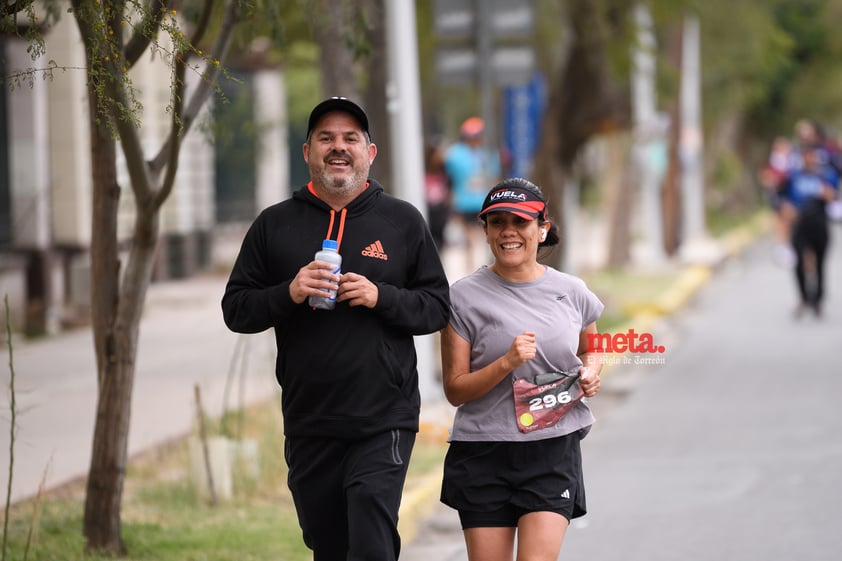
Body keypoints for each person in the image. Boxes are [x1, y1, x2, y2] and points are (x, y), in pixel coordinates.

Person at [221, 97, 450, 561]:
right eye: (326, 138)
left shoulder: (402, 221)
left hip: (383, 417)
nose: (338, 147)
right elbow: (236, 309)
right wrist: (289, 291)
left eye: (350, 139)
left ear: (371, 152)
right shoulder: (274, 225)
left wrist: (379, 295)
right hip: (310, 419)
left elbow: (436, 308)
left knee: (370, 532)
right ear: (307, 151)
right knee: (329, 546)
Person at [438, 177, 604, 561]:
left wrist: (592, 371)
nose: (508, 232)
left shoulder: (573, 291)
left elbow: (591, 346)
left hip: (551, 449)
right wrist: (506, 363)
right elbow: (455, 389)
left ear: (542, 228)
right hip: (483, 451)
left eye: (521, 222)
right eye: (498, 222)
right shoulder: (463, 296)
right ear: (485, 231)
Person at [780, 145, 839, 318]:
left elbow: (835, 199)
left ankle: (818, 300)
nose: (810, 159)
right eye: (807, 155)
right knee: (799, 262)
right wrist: (786, 207)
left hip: (820, 225)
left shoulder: (826, 176)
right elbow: (780, 197)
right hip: (800, 226)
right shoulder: (793, 176)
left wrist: (830, 195)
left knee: (820, 264)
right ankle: (803, 298)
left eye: (813, 156)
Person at [444, 117, 502, 272]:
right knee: (472, 238)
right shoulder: (458, 154)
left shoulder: (485, 154)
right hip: (467, 203)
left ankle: (476, 267)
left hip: (482, 202)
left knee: (478, 238)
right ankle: (472, 268)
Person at [424, 138, 451, 249]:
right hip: (428, 208)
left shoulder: (445, 171)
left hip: (440, 210)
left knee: (440, 237)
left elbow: (449, 188)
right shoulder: (424, 171)